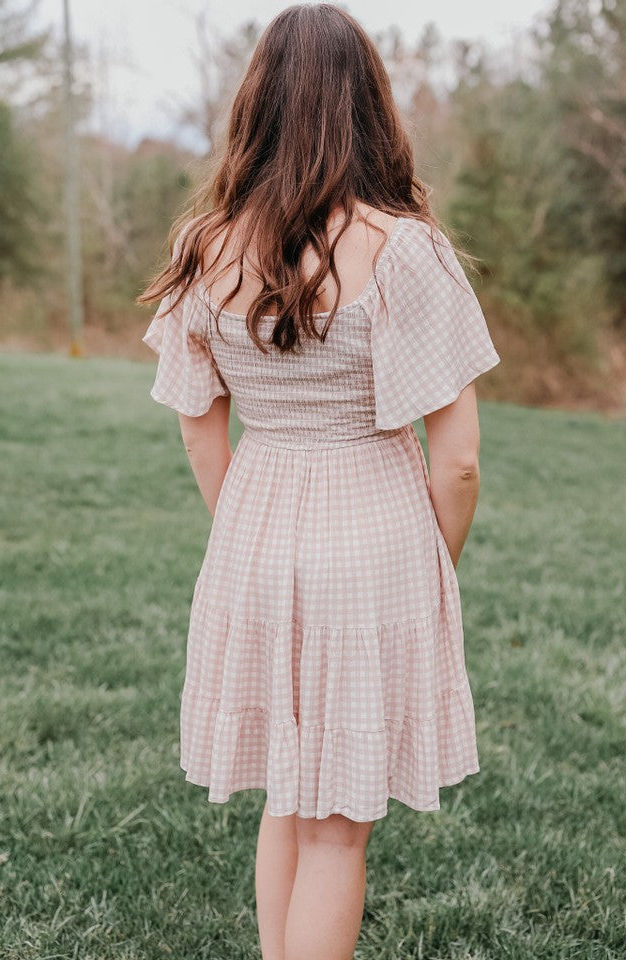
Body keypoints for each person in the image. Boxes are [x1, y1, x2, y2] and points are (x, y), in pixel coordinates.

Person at [138, 4, 501, 959]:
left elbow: (197, 423)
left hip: (252, 533)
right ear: (368, 108)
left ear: (255, 107)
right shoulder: (405, 247)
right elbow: (457, 455)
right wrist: (434, 563)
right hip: (373, 531)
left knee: (290, 793)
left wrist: (246, 536)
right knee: (337, 825)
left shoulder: (205, 247)